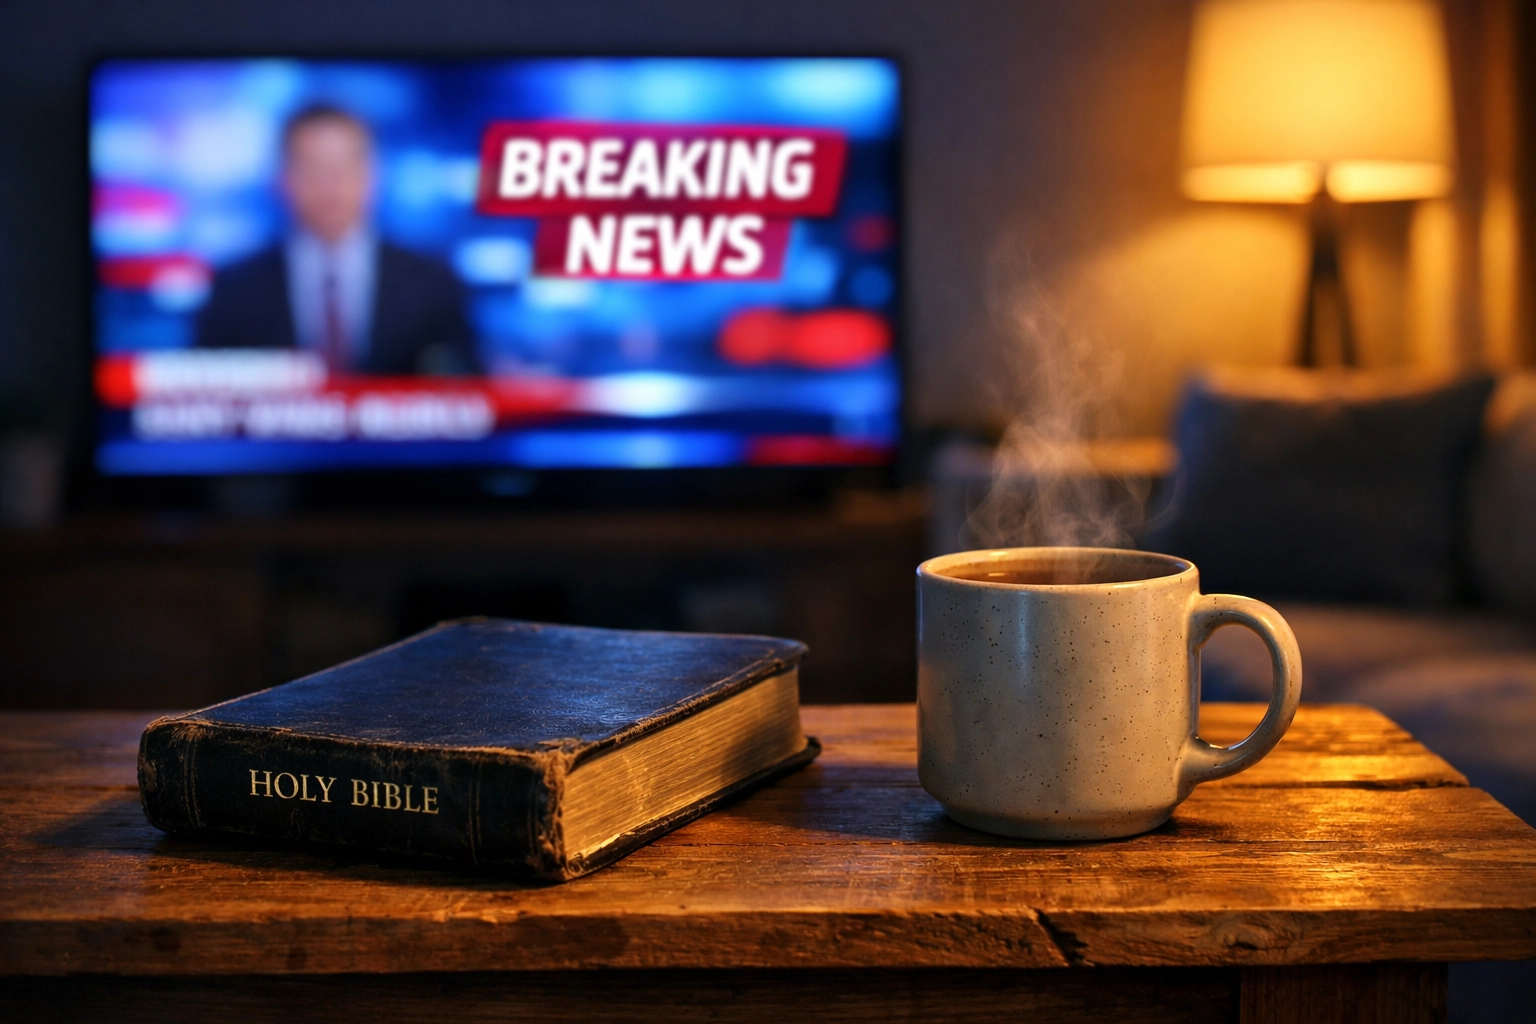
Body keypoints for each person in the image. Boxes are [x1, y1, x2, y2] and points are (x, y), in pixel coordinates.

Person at [195, 103, 478, 375]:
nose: (329, 185)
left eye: (343, 166)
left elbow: (470, 398)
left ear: (372, 175)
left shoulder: (433, 283)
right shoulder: (234, 289)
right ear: (282, 179)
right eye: (313, 168)